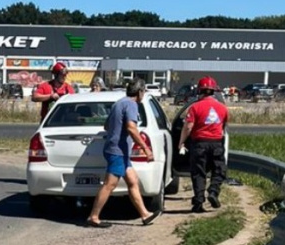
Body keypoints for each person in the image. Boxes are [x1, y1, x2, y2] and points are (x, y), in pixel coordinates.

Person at [86, 79, 162, 228]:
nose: (143, 94)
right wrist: (145, 148)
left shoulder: (119, 103)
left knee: (133, 181)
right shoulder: (131, 105)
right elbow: (131, 128)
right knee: (109, 184)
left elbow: (107, 125)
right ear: (140, 92)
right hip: (118, 151)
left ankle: (145, 214)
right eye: (144, 91)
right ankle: (93, 216)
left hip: (119, 150)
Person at [178, 76, 229, 213]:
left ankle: (199, 201)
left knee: (198, 173)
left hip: (199, 144)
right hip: (217, 143)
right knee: (219, 170)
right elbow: (223, 127)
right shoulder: (223, 109)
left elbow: (188, 127)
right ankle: (213, 191)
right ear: (214, 91)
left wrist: (181, 142)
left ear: (199, 90)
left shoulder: (194, 107)